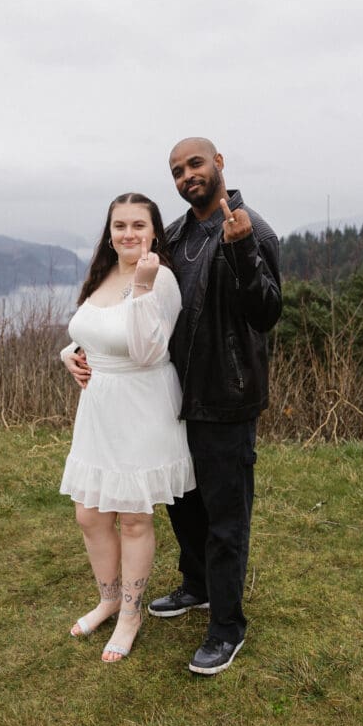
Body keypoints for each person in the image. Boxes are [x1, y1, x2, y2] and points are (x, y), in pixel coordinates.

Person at [147, 137, 282, 675]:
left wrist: (243, 251)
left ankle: (227, 626)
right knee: (182, 501)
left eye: (195, 164)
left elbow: (266, 313)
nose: (187, 176)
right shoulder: (175, 235)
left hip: (227, 395)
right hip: (173, 394)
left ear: (219, 163)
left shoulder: (255, 230)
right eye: (177, 170)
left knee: (227, 518)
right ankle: (197, 586)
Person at [60, 193, 195, 663]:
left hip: (141, 404)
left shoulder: (162, 281)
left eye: (139, 225)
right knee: (90, 514)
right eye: (120, 225)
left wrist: (141, 288)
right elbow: (87, 328)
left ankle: (131, 614)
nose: (129, 234)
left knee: (134, 517)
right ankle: (109, 598)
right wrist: (69, 355)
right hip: (98, 409)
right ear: (110, 231)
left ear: (154, 231)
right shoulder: (102, 273)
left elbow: (146, 353)